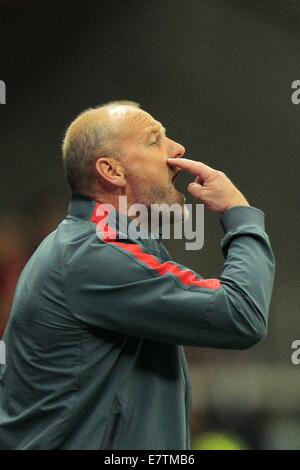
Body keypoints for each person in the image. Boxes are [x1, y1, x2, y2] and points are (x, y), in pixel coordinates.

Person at [0, 100, 275, 450]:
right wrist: (240, 215)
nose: (177, 150)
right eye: (154, 139)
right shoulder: (93, 254)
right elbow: (241, 314)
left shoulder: (105, 247)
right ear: (111, 170)